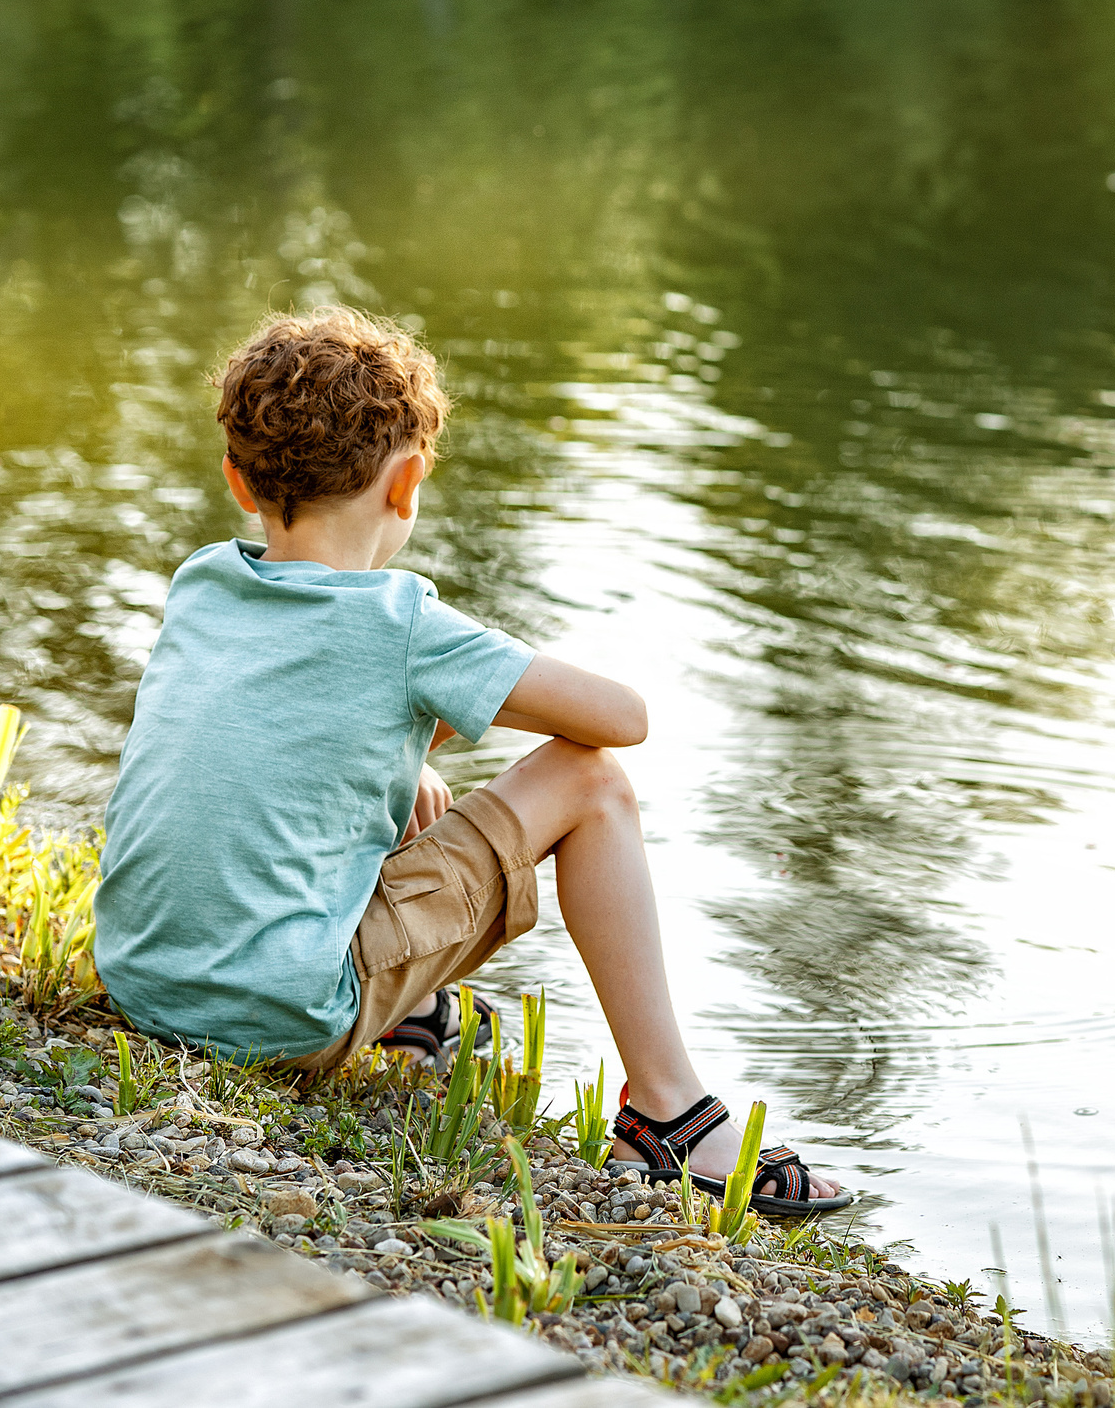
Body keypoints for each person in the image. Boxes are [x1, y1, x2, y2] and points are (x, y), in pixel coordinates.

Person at [92, 306, 847, 1215]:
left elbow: (276, 729)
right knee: (593, 783)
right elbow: (621, 719)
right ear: (406, 484)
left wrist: (407, 747)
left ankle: (414, 1013)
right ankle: (671, 1112)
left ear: (238, 481)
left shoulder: (204, 582)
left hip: (141, 977)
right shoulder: (399, 621)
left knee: (412, 781)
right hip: (278, 1015)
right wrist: (443, 697)